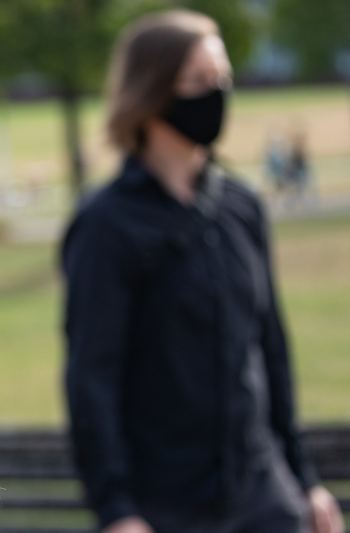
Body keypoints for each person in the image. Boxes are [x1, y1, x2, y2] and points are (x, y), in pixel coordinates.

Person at [62, 10, 342, 533]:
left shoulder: (243, 206)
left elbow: (271, 350)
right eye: (199, 82)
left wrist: (306, 480)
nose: (217, 95)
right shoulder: (107, 224)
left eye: (223, 80)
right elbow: (91, 377)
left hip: (265, 497)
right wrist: (117, 509)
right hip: (167, 507)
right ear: (151, 91)